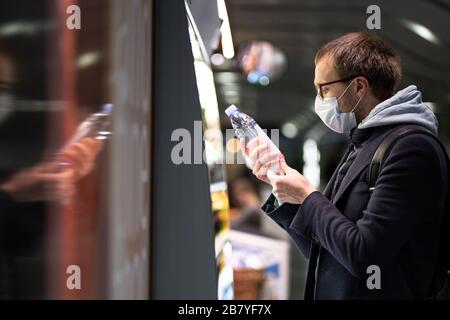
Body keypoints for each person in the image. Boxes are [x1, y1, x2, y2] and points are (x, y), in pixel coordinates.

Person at [242, 32, 448, 299]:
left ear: (359, 87)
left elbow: (364, 255)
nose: (319, 98)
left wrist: (308, 195)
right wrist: (279, 181)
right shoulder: (362, 142)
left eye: (324, 88)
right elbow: (326, 250)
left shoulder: (411, 148)